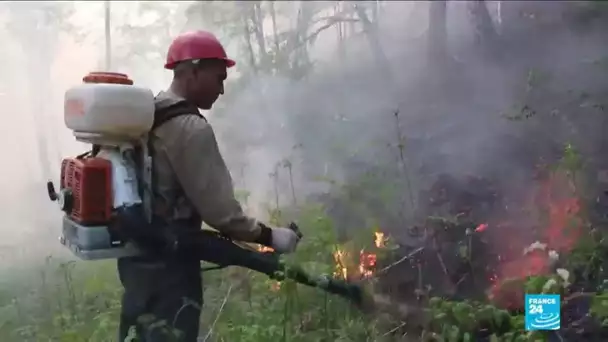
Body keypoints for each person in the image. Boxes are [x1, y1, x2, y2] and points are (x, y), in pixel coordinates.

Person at [117, 30, 302, 342]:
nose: (222, 89)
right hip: (171, 265)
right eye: (218, 78)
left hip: (136, 258)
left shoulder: (148, 113)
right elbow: (222, 215)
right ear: (192, 71)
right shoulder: (190, 128)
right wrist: (273, 237)